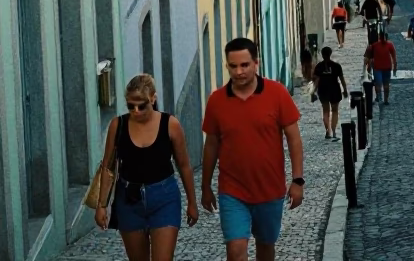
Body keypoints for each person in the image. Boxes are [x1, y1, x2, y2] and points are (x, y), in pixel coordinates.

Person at [201, 38, 304, 261]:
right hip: (232, 191)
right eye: (233, 66)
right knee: (236, 251)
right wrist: (205, 185)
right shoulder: (217, 101)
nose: (239, 72)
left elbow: (294, 139)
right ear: (227, 65)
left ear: (256, 63)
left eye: (244, 65)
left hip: (270, 189)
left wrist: (297, 180)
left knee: (265, 247)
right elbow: (211, 145)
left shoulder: (277, 93)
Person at [94, 74, 199, 259]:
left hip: (164, 197)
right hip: (129, 200)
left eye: (142, 105)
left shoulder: (170, 124)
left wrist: (192, 202)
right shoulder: (117, 125)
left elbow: (184, 165)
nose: (136, 110)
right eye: (130, 106)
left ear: (153, 98)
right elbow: (107, 167)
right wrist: (101, 205)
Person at [312, 47, 348, 141]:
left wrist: (313, 92)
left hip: (323, 90)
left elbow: (315, 80)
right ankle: (334, 131)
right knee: (335, 110)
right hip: (334, 89)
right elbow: (342, 79)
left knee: (325, 111)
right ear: (330, 53)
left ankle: (328, 131)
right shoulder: (336, 66)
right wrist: (345, 90)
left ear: (322, 54)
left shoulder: (319, 66)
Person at [364, 30, 398, 107]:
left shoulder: (374, 45)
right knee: (386, 84)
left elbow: (367, 57)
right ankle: (386, 100)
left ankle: (379, 98)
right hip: (387, 67)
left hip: (377, 68)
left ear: (379, 37)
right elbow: (394, 57)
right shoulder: (390, 45)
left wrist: (367, 66)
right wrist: (395, 67)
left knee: (378, 84)